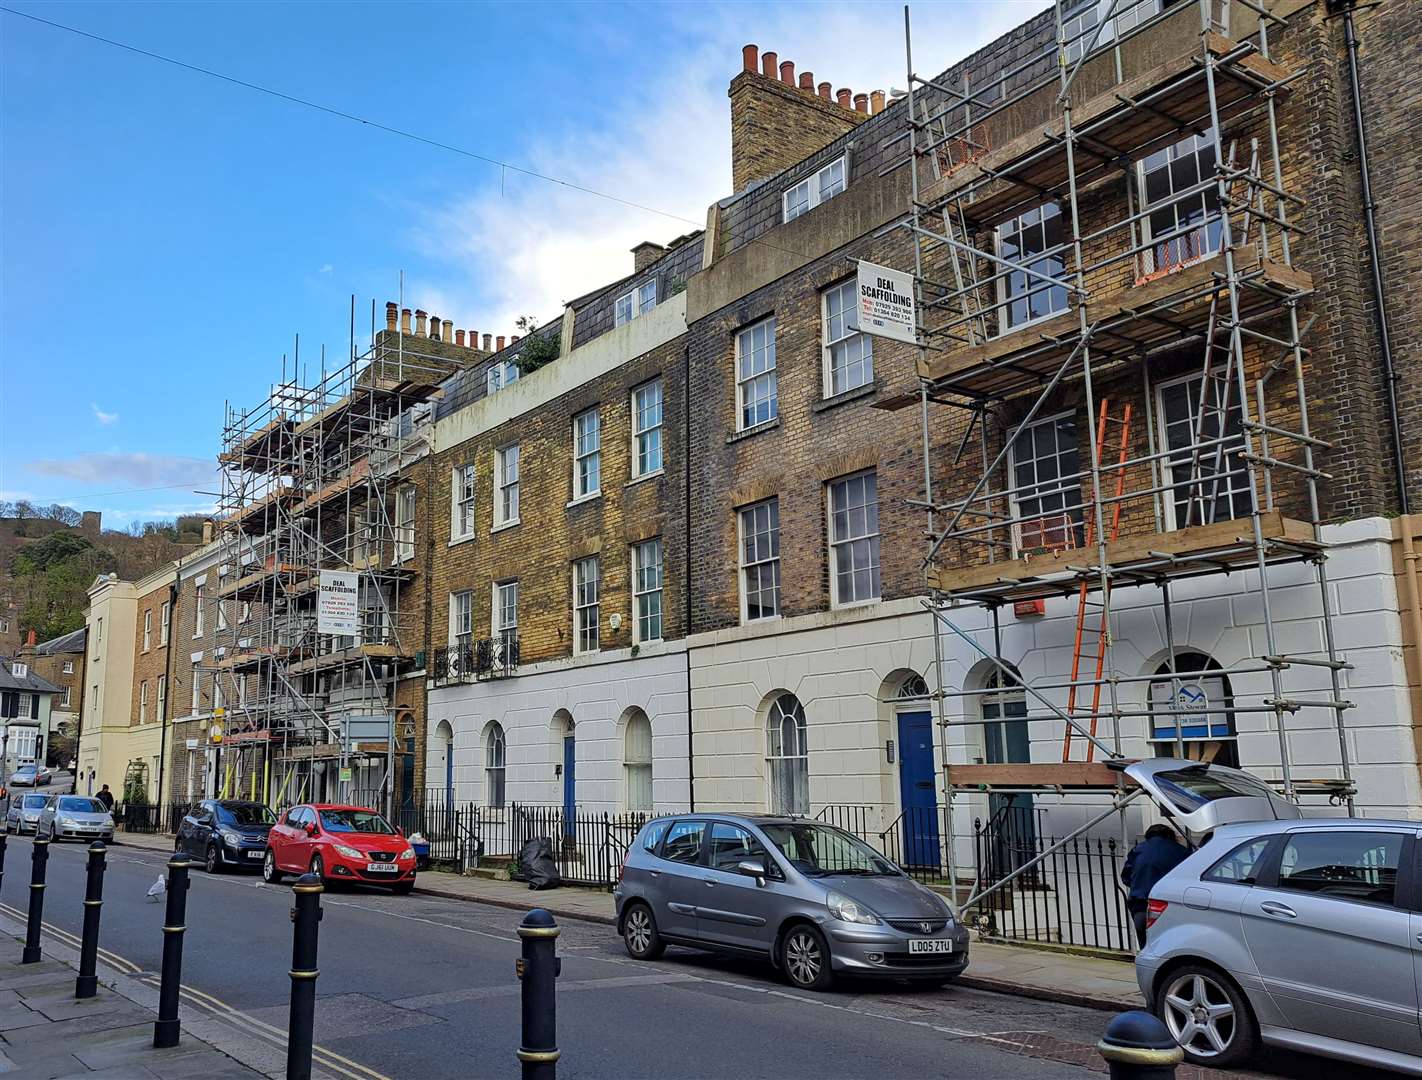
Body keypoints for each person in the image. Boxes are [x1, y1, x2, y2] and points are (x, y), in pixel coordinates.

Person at [1121, 823, 1189, 948]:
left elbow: (1125, 877)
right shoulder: (1181, 851)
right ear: (1170, 835)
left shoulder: (1138, 850)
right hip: (1171, 909)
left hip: (1141, 907)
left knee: (1146, 949)